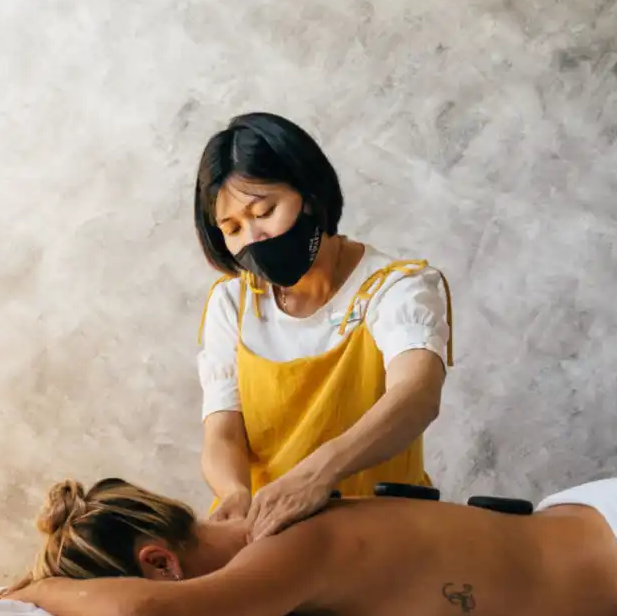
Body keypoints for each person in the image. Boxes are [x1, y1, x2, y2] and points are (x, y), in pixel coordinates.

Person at [0, 475, 617, 616]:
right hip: (605, 525)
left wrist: (40, 591)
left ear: (160, 565)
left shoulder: (287, 549)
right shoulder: (263, 525)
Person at [194, 112, 453, 540]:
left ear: (310, 196)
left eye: (264, 211)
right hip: (270, 533)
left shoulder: (396, 288)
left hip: (384, 536)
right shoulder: (231, 303)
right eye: (233, 228)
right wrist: (235, 493)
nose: (253, 238)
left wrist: (318, 476)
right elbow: (222, 433)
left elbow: (417, 393)